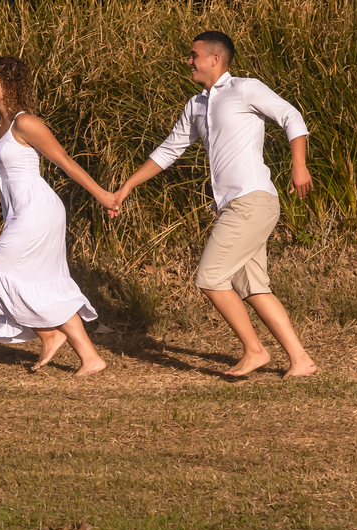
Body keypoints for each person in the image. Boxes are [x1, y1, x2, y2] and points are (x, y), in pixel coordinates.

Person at [112, 31, 317, 378]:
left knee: (210, 278)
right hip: (234, 205)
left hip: (252, 200)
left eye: (193, 55)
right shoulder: (196, 105)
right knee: (252, 286)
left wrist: (299, 164)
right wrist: (126, 187)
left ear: (214, 59)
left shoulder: (244, 88)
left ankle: (255, 351)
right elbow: (168, 151)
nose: (188, 61)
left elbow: (291, 116)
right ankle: (301, 360)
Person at [0, 56, 115, 376]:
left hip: (38, 210)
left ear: (10, 86)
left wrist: (103, 196)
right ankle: (90, 358)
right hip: (18, 212)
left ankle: (49, 333)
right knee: (40, 283)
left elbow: (65, 162)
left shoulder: (26, 123)